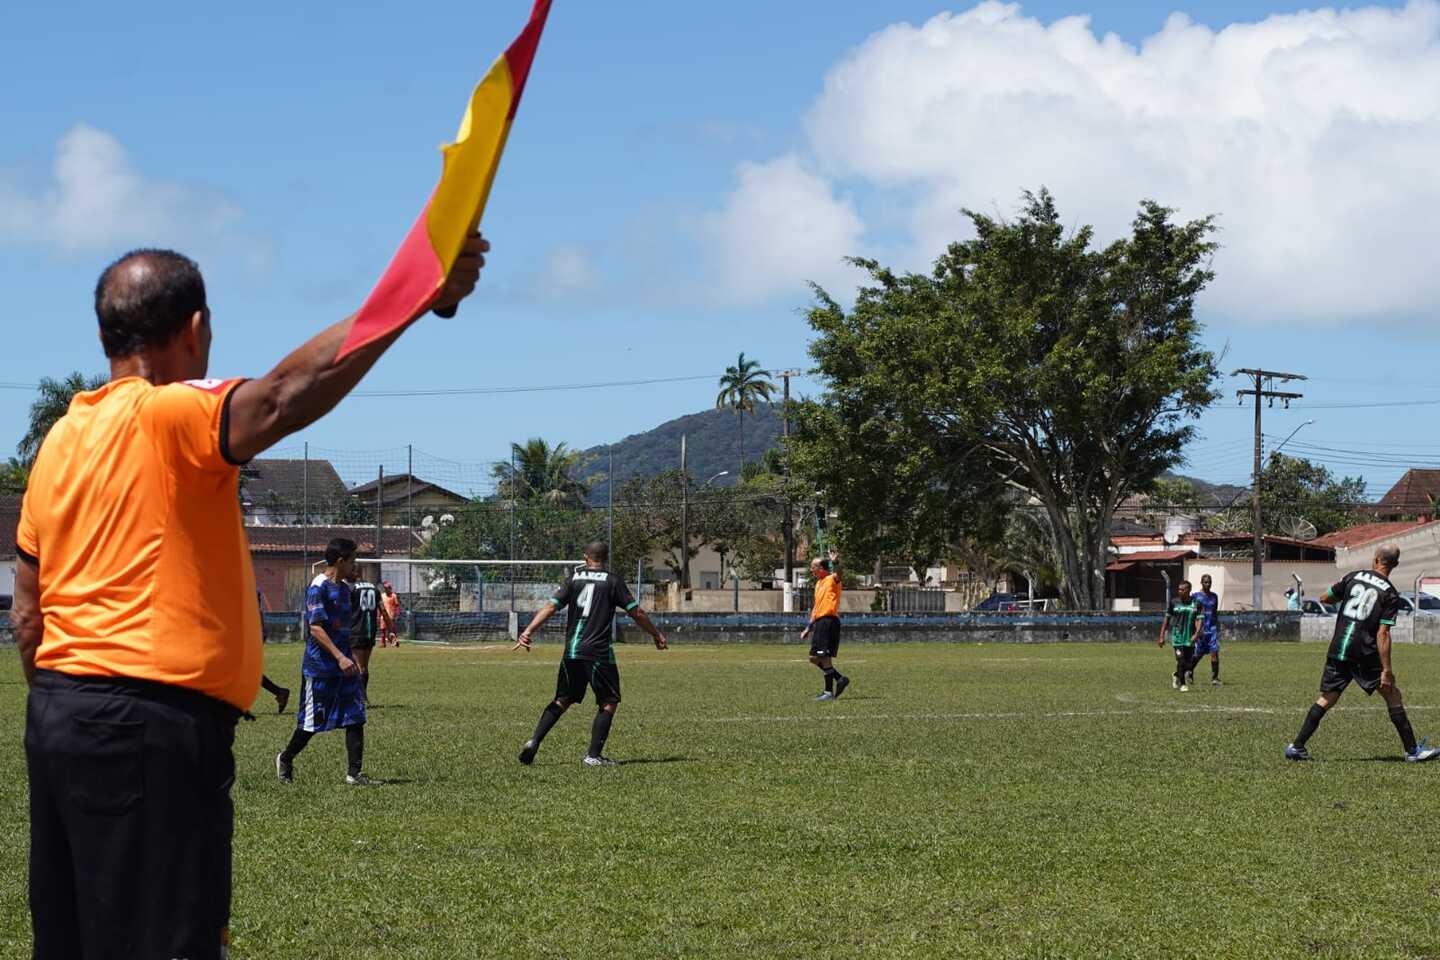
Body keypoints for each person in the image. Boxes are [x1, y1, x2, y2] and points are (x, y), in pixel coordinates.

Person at [11, 238, 486, 959]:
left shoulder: (59, 441)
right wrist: (415, 290)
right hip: (152, 725)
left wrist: (69, 704)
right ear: (196, 330)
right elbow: (284, 394)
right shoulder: (169, 412)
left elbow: (27, 612)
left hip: (56, 718)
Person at [512, 541, 668, 766]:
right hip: (598, 653)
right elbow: (637, 612)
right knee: (609, 700)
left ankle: (534, 741)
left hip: (572, 651)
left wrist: (527, 631)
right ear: (606, 558)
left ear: (586, 557)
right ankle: (593, 756)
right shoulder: (613, 581)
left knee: (562, 699)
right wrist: (656, 634)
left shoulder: (573, 579)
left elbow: (550, 606)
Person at [1285, 544, 1440, 762]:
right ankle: (1412, 751)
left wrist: (1338, 596)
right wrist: (1386, 670)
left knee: (1327, 697)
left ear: (1375, 559)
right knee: (1392, 694)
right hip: (1363, 652)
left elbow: (1325, 597)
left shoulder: (1353, 577)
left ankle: (1296, 746)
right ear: (1395, 564)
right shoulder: (1390, 593)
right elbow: (1383, 634)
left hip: (1339, 647)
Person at [275, 538, 376, 785]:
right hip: (320, 668)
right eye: (353, 559)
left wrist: (349, 658)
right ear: (341, 561)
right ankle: (286, 759)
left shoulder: (344, 589)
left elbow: (342, 631)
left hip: (344, 666)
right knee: (311, 723)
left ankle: (354, 774)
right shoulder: (317, 588)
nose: (356, 565)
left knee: (356, 716)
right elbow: (316, 628)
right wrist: (340, 657)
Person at [800, 552, 849, 701]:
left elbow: (839, 573)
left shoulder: (832, 579)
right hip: (820, 622)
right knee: (813, 658)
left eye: (813, 567)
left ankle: (828, 692)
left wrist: (836, 562)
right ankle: (840, 678)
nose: (811, 570)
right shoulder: (818, 584)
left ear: (822, 568)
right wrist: (808, 627)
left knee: (824, 657)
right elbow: (816, 607)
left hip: (829, 621)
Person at [1157, 580, 1202, 692]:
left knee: (1188, 664)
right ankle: (1182, 684)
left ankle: (1176, 674)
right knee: (1181, 661)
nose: (1180, 591)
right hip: (1177, 637)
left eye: (1182, 589)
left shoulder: (1196, 603)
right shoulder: (1174, 602)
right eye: (1179, 589)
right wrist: (1162, 636)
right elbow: (1166, 619)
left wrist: (1196, 634)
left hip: (1190, 638)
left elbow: (1199, 619)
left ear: (1189, 590)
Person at [258, 588, 291, 712]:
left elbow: (255, 610)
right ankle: (280, 692)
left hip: (246, 634)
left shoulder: (245, 585)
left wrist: (260, 632)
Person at [350, 573, 381, 696]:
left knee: (358, 666)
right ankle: (362, 695)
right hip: (370, 631)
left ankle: (360, 696)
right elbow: (382, 610)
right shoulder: (374, 588)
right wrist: (391, 630)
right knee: (364, 666)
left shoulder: (351, 588)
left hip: (356, 630)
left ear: (354, 572)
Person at [1191, 574, 1222, 687]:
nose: (1207, 584)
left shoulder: (1214, 596)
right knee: (1198, 654)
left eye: (1209, 582)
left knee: (1214, 652)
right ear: (1201, 582)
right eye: (1205, 582)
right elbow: (1193, 614)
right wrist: (1196, 630)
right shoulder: (1195, 596)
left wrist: (1216, 626)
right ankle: (1189, 671)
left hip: (1212, 629)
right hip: (1201, 629)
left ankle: (1215, 678)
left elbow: (1214, 613)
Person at [380, 580, 402, 646]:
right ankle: (383, 643)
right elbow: (380, 605)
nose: (386, 589)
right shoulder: (382, 595)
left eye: (388, 588)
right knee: (383, 630)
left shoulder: (393, 596)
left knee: (392, 630)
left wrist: (397, 614)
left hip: (391, 615)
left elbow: (397, 606)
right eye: (385, 588)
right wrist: (378, 615)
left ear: (390, 588)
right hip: (383, 615)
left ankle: (395, 642)